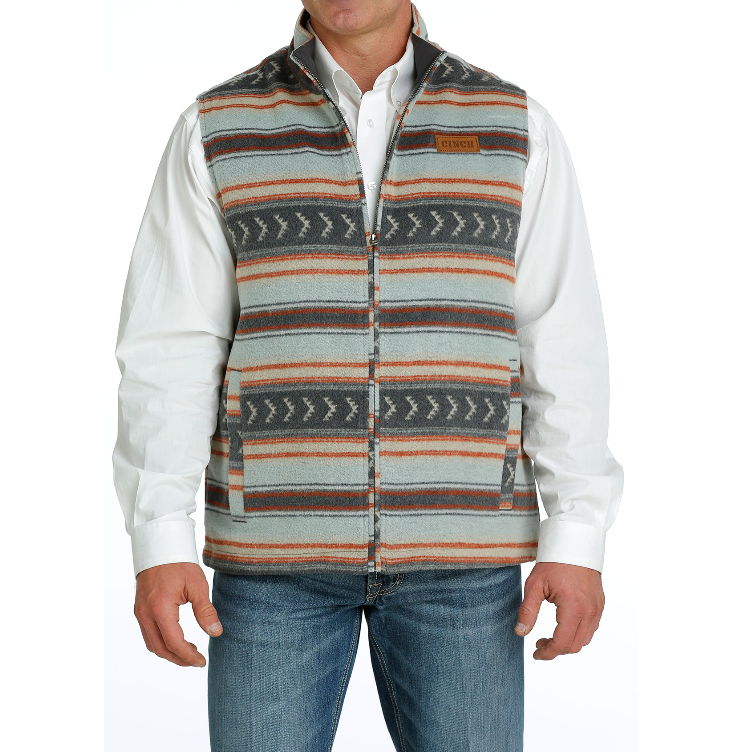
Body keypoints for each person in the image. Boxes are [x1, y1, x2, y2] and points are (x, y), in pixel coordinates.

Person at [112, 1, 624, 749]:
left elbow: (561, 341)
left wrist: (576, 533)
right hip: (272, 562)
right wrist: (160, 536)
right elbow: (171, 347)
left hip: (464, 559)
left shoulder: (514, 127)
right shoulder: (218, 127)